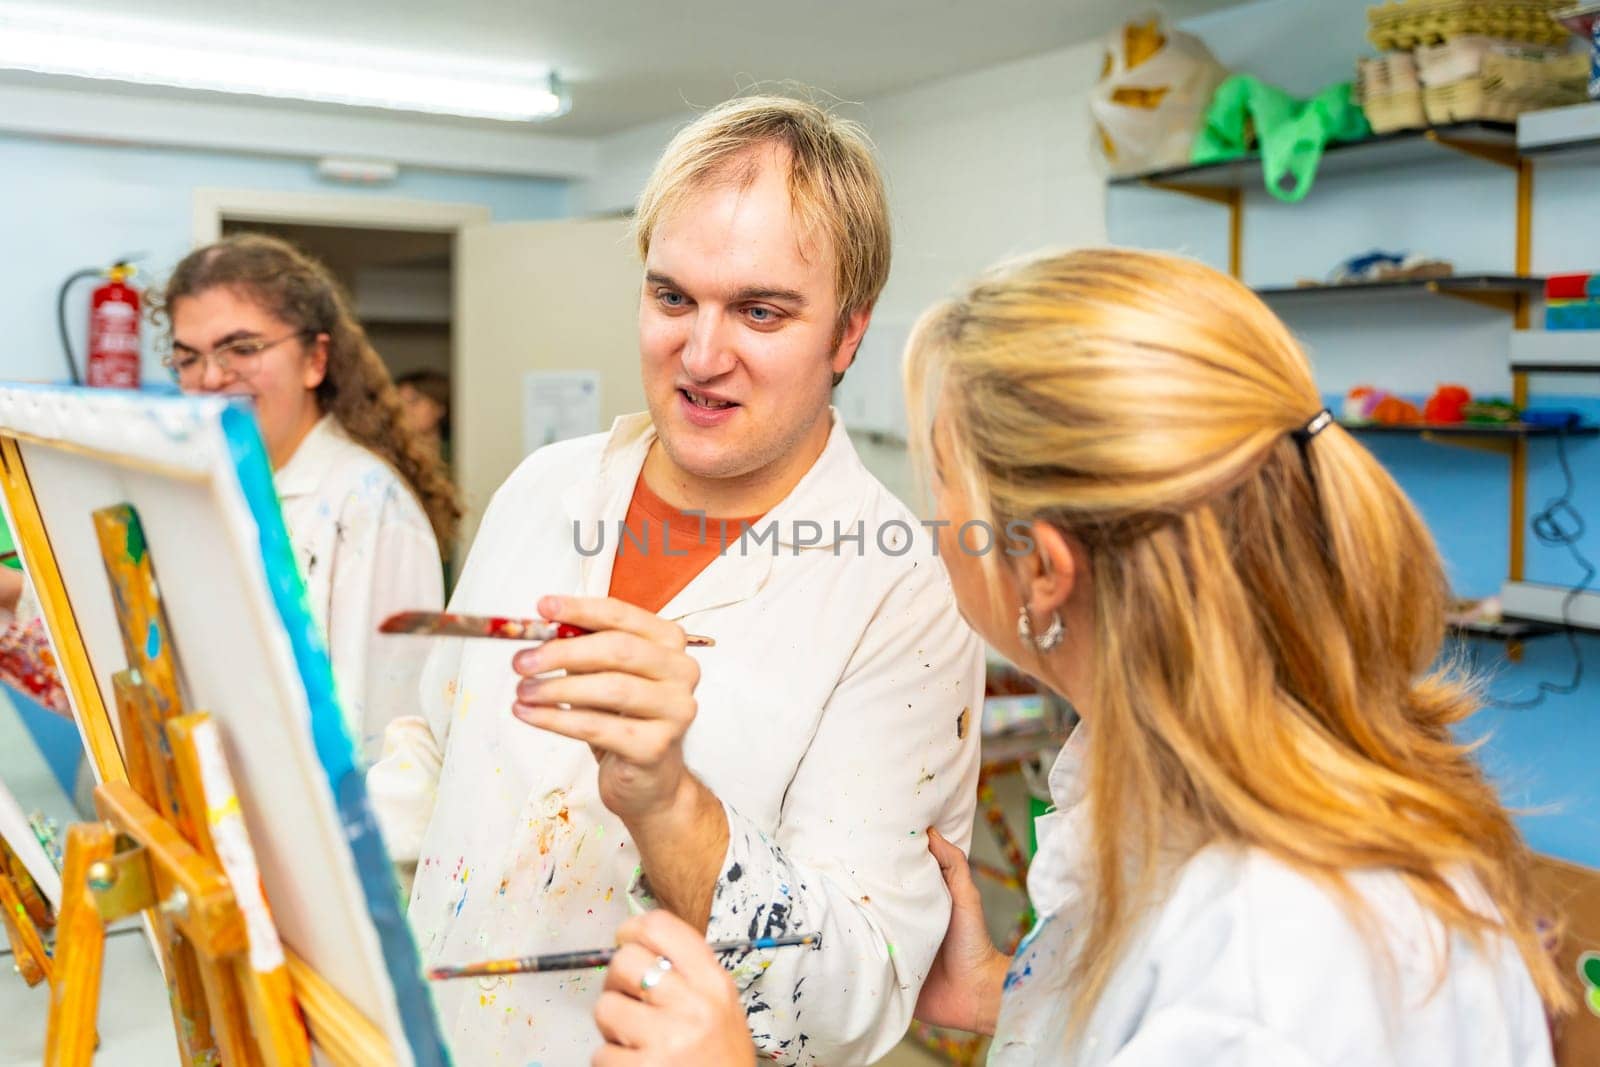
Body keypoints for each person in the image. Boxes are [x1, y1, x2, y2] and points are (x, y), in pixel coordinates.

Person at [587, 248, 1567, 1066]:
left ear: (1041, 566)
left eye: (944, 485)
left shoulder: (1277, 957)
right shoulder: (1190, 799)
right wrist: (1018, 990)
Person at [366, 95, 984, 1065]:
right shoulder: (543, 489)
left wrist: (666, 799)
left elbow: (853, 998)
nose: (700, 355)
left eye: (760, 310)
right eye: (671, 298)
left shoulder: (901, 594)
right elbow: (439, 748)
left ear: (848, 335)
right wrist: (312, 839)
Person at [157, 234, 459, 760]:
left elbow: (381, 740)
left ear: (315, 360)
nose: (209, 378)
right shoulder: (209, 486)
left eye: (242, 349)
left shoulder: (369, 508)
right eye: (188, 358)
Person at [395, 369, 451, 461]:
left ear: (440, 407)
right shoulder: (392, 456)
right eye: (399, 402)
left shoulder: (460, 451)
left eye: (414, 401)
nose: (404, 409)